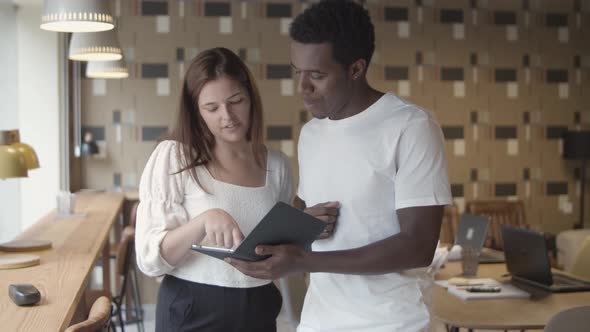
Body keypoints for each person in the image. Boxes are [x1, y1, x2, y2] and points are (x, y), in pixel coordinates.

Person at [226, 1, 453, 331]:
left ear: (356, 69)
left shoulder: (411, 127)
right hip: (320, 321)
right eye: (297, 72)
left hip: (393, 323)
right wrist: (288, 235)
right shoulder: (311, 134)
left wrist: (306, 261)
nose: (302, 88)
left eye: (317, 75)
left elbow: (418, 246)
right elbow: (315, 224)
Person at [135, 47, 294, 332]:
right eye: (212, 108)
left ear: (251, 99)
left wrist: (308, 225)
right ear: (196, 112)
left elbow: (280, 246)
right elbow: (150, 260)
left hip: (259, 305)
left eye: (236, 101)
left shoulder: (277, 165)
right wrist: (203, 221)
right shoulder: (174, 157)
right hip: (193, 308)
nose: (228, 116)